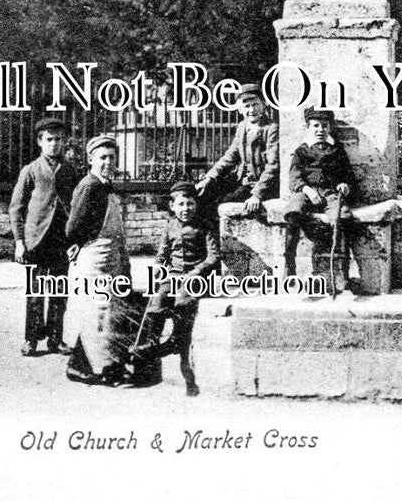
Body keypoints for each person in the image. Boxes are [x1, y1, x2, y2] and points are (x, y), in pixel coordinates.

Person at [131, 181, 219, 396]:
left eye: (190, 203)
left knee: (183, 302)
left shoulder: (205, 225)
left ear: (195, 204)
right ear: (172, 206)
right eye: (181, 204)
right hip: (174, 275)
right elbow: (162, 255)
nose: (186, 209)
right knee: (158, 298)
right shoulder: (169, 226)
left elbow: (213, 256)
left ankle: (174, 342)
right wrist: (159, 270)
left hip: (196, 277)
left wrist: (197, 271)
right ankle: (151, 343)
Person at [64, 135, 133, 385]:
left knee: (106, 312)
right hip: (95, 259)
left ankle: (80, 364)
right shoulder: (90, 185)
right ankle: (101, 369)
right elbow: (73, 228)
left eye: (112, 157)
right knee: (98, 313)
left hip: (109, 257)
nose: (107, 162)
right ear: (91, 159)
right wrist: (81, 245)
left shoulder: (105, 185)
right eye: (102, 157)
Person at [10, 118, 79, 357]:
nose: (54, 144)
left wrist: (77, 239)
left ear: (65, 141)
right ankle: (31, 339)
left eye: (59, 139)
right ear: (40, 142)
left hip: (61, 240)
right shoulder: (30, 170)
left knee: (59, 291)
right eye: (49, 139)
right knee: (35, 292)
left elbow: (77, 206)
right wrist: (20, 242)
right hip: (36, 241)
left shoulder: (71, 171)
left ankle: (55, 339)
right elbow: (16, 208)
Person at [284, 108, 355, 278]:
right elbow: (294, 177)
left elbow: (348, 175)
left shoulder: (337, 150)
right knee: (293, 213)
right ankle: (289, 264)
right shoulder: (302, 150)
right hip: (306, 193)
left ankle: (344, 272)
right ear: (308, 128)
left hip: (330, 194)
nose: (320, 130)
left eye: (325, 126)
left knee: (343, 217)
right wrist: (307, 190)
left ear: (330, 128)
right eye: (315, 126)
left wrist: (344, 184)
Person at [194, 83, 279, 216]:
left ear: (263, 105)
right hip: (243, 183)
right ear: (240, 109)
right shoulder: (242, 127)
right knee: (202, 196)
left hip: (262, 186)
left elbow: (273, 166)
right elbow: (229, 158)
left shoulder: (271, 128)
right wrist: (209, 178)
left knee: (218, 206)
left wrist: (257, 195)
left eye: (255, 104)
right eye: (247, 106)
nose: (251, 110)